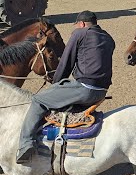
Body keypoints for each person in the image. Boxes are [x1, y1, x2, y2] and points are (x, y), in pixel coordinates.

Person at [16, 10, 115, 164]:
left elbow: (66, 62)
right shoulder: (109, 38)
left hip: (84, 88)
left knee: (38, 100)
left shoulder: (79, 34)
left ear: (81, 24)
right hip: (102, 91)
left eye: (77, 25)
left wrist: (56, 83)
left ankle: (25, 144)